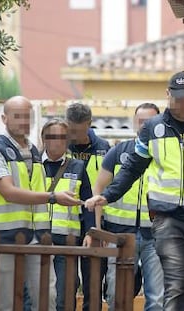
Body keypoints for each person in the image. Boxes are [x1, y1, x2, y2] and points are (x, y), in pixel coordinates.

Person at [85, 71, 184, 310]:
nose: (183, 104)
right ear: (168, 94)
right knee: (175, 287)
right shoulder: (153, 128)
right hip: (168, 219)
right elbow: (132, 168)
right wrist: (108, 195)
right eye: (178, 98)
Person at [0, 96, 80, 311]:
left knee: (47, 299)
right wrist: (53, 197)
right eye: (18, 116)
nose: (24, 121)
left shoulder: (33, 151)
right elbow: (9, 192)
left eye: (27, 116)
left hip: (37, 238)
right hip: (1, 237)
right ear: (4, 118)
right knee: (5, 303)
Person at [93, 103, 164, 311]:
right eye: (141, 122)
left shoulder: (166, 156)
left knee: (157, 299)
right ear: (134, 123)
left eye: (149, 122)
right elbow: (98, 188)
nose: (144, 127)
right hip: (119, 236)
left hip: (156, 236)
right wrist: (98, 229)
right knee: (116, 295)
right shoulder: (118, 152)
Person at [41, 118, 95, 310]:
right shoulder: (33, 166)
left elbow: (88, 203)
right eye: (53, 137)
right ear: (44, 139)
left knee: (66, 293)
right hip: (38, 239)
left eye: (63, 137)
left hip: (68, 241)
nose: (58, 141)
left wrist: (90, 232)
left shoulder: (78, 167)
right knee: (38, 294)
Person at [65, 102, 111, 311]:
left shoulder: (104, 148)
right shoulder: (59, 146)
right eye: (70, 128)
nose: (73, 134)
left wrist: (98, 228)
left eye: (78, 129)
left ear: (89, 125)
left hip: (95, 221)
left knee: (93, 284)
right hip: (66, 221)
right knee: (67, 284)